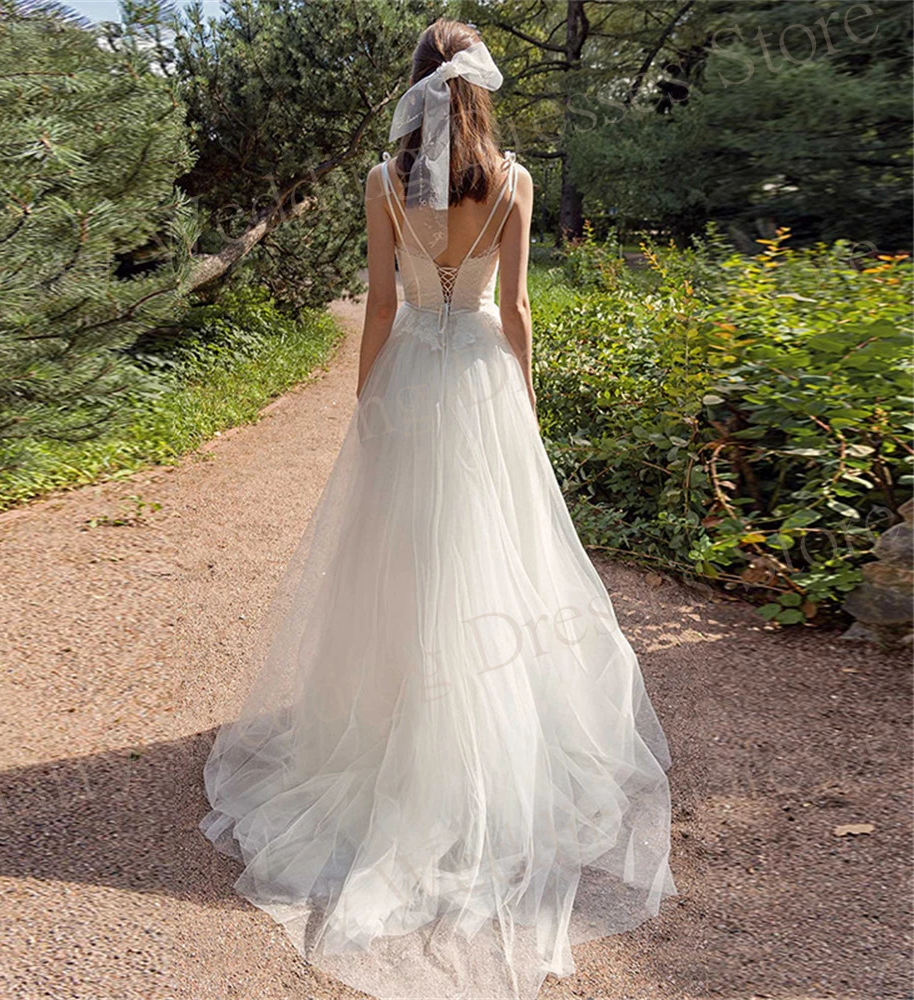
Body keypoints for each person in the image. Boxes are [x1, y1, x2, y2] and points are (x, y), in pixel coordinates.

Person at [200, 19, 677, 1000]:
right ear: (479, 93)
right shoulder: (514, 182)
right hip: (484, 385)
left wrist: (366, 404)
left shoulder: (383, 185)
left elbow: (379, 304)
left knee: (402, 563)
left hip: (415, 378)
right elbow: (517, 310)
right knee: (497, 562)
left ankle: (400, 737)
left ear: (415, 88)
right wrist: (528, 411)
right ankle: (485, 756)